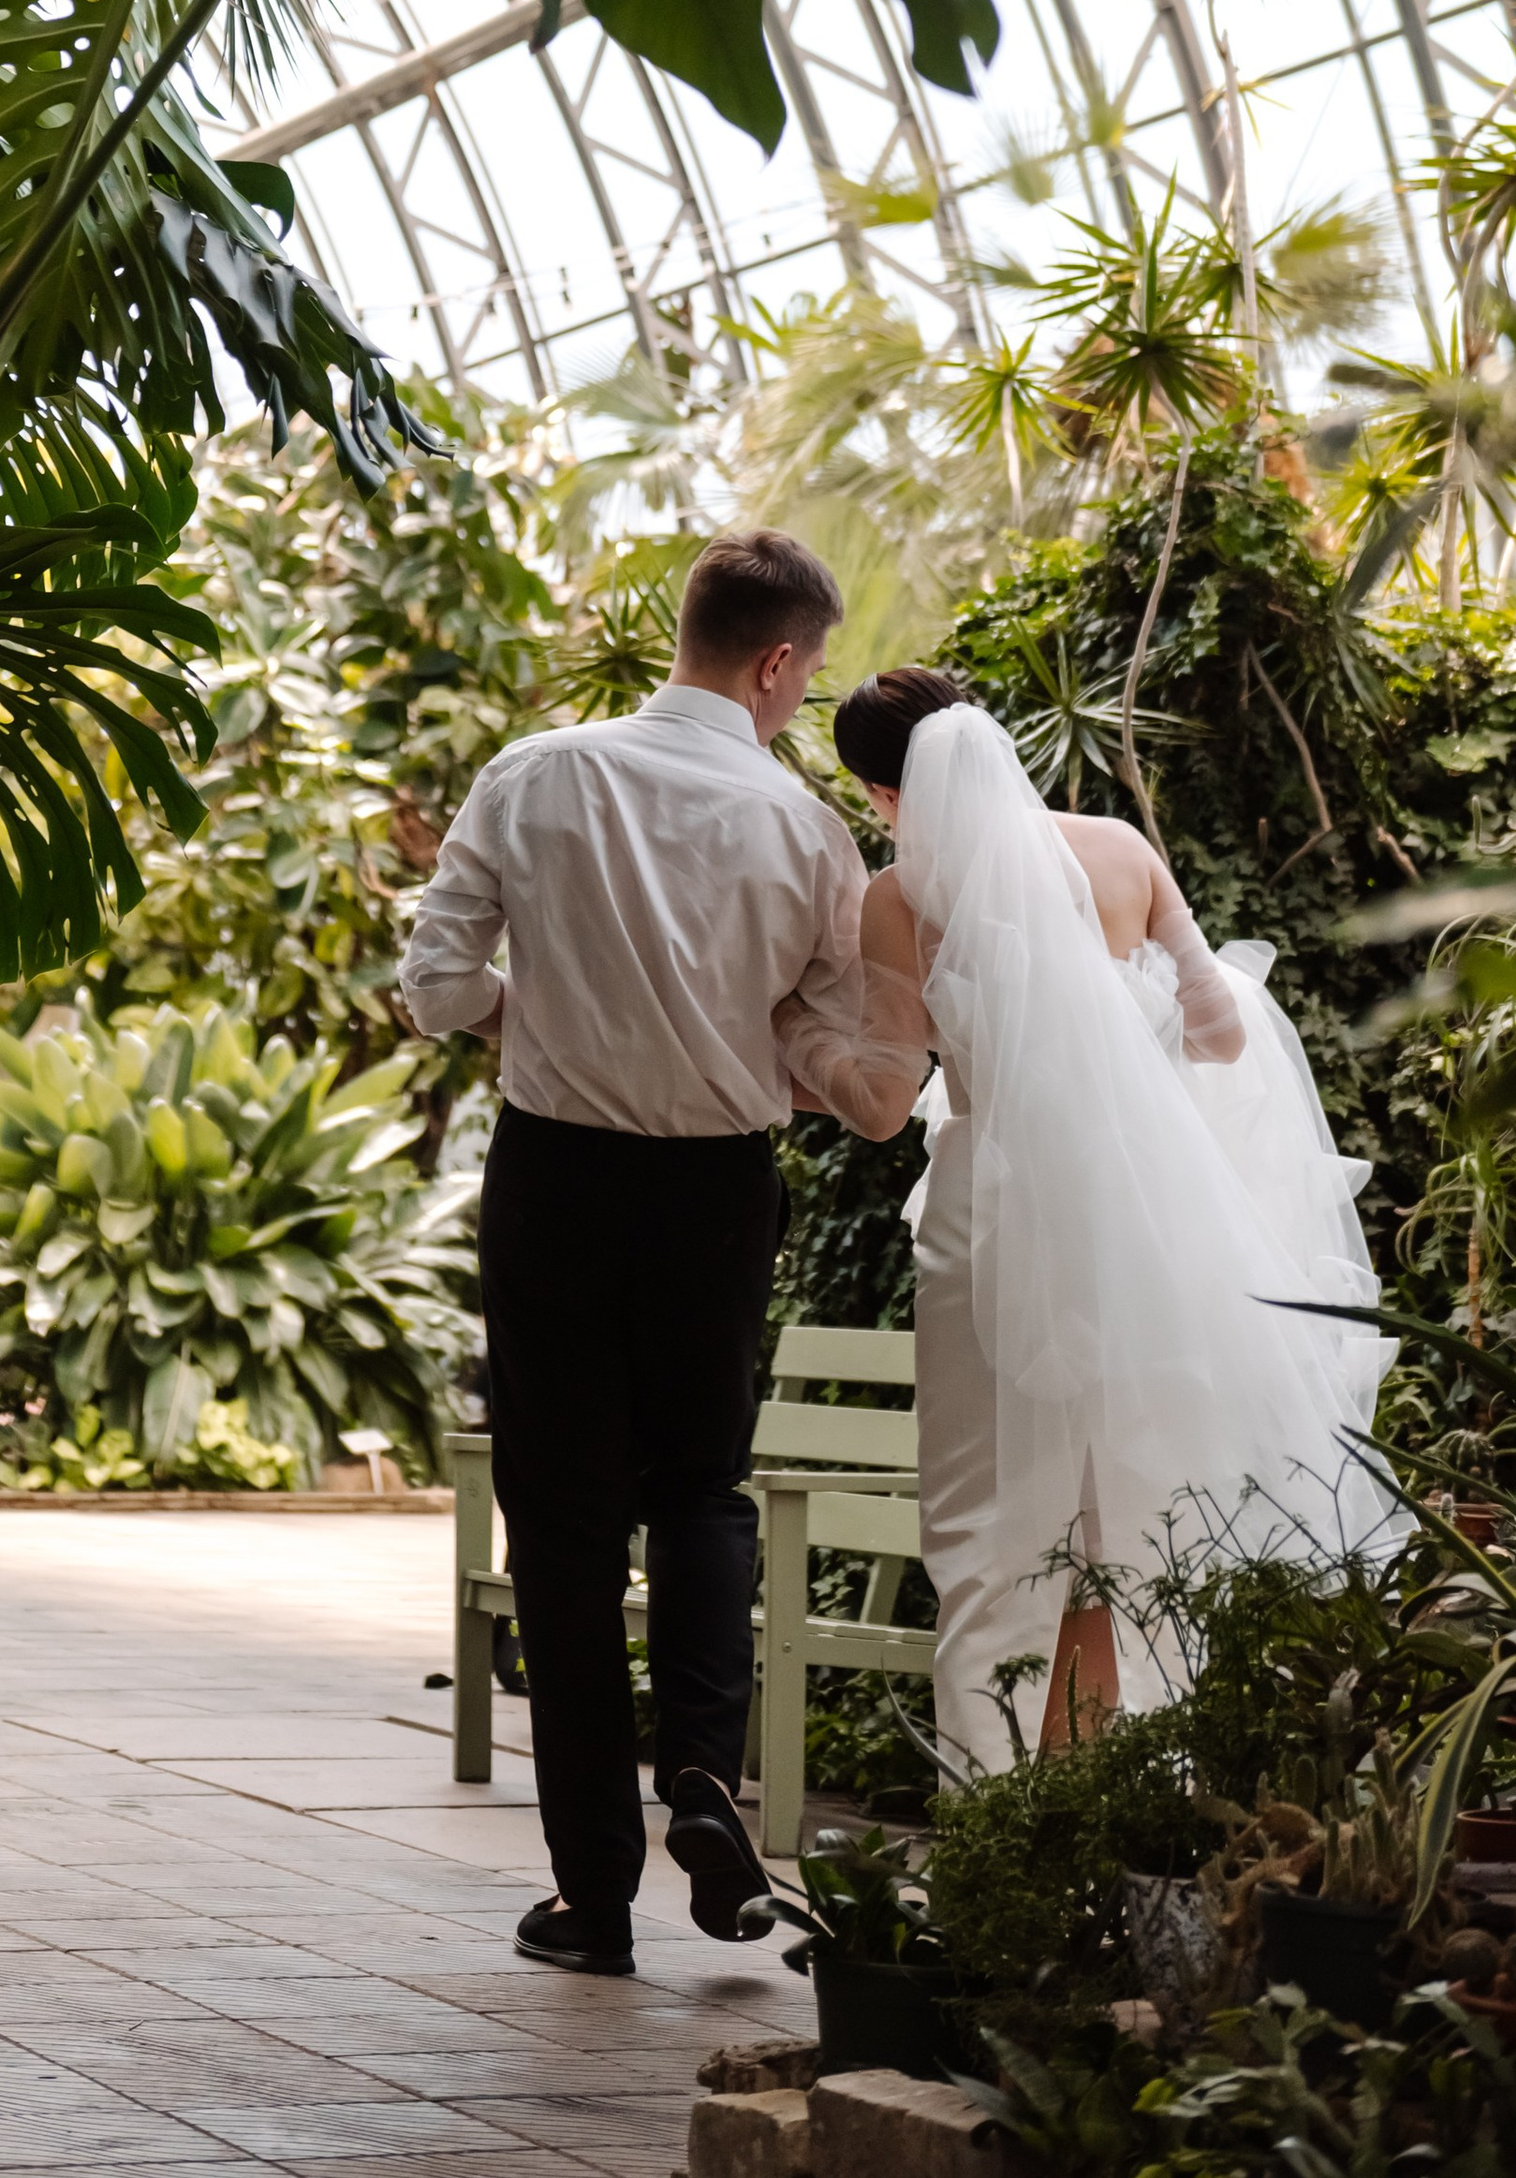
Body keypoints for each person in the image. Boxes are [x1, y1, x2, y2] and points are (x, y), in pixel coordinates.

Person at [399, 532, 926, 1978]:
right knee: (703, 1490)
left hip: (556, 1181)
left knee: (563, 1533)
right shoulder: (806, 828)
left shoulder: (537, 772)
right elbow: (819, 1035)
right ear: (775, 662)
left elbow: (438, 987)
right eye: (807, 674)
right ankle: (702, 1771)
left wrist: (554, 1013)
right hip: (717, 1195)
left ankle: (593, 1897)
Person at [826, 666, 1394, 1777]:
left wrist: (799, 1053)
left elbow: (885, 1098)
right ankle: (1144, 1817)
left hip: (988, 1221)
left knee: (988, 1529)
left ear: (886, 791)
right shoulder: (1123, 850)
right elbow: (1223, 1034)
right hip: (1144, 1220)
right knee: (1137, 1513)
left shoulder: (900, 898)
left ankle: (990, 1806)